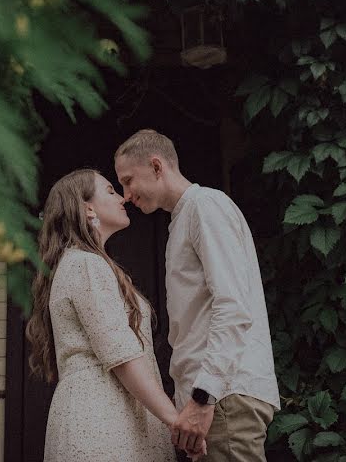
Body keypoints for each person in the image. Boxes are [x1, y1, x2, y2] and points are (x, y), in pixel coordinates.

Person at [114, 129, 280, 462]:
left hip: (224, 396)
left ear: (157, 166)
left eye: (128, 180)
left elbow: (233, 306)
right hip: (212, 398)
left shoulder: (205, 206)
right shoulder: (184, 218)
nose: (125, 194)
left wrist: (204, 397)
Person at [26, 169, 205, 461]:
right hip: (103, 418)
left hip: (109, 414)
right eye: (110, 191)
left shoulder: (80, 264)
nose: (122, 198)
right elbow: (121, 355)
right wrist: (175, 420)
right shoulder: (86, 265)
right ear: (88, 209)